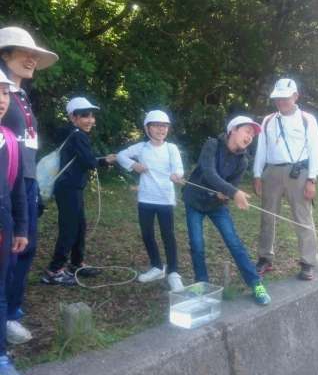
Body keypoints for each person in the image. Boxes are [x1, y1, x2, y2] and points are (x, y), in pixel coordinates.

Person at [0, 26, 58, 345]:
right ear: (5, 55)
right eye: (24, 53)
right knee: (11, 250)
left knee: (27, 246)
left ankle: (11, 308)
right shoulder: (2, 93)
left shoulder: (21, 95)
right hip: (9, 180)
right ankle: (6, 315)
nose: (31, 59)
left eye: (34, 55)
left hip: (29, 180)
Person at [183, 115, 271, 305]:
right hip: (194, 201)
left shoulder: (243, 161)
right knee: (197, 245)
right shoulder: (212, 145)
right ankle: (201, 284)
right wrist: (233, 192)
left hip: (216, 206)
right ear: (233, 130)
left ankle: (256, 283)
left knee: (234, 243)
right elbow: (209, 172)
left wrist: (225, 194)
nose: (250, 137)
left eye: (252, 135)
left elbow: (232, 185)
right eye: (247, 131)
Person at [41, 97, 116, 286]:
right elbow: (89, 162)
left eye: (91, 116)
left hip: (71, 187)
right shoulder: (78, 136)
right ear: (73, 117)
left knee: (80, 226)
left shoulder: (70, 133)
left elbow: (82, 158)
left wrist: (100, 160)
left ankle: (76, 263)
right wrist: (105, 160)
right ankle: (54, 271)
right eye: (84, 116)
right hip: (69, 188)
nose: (90, 120)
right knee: (70, 228)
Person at [253, 78, 318, 280]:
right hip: (272, 171)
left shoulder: (307, 119)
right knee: (267, 217)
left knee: (303, 217)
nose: (281, 101)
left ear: (295, 96)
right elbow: (261, 149)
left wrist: (312, 179)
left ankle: (308, 262)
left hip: (298, 172)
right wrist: (257, 174)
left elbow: (315, 149)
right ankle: (265, 258)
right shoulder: (268, 120)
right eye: (278, 98)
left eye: (285, 97)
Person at [117, 110, 185, 292]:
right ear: (147, 128)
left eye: (164, 126)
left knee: (168, 235)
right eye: (156, 126)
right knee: (147, 233)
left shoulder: (171, 148)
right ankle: (156, 267)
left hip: (165, 199)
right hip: (146, 198)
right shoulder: (141, 147)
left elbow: (178, 168)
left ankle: (173, 272)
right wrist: (134, 165)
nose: (161, 129)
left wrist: (176, 175)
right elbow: (121, 155)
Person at [0, 70, 28, 375]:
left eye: (5, 92)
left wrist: (21, 226)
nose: (1, 99)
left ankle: (0, 356)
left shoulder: (9, 140)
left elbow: (17, 188)